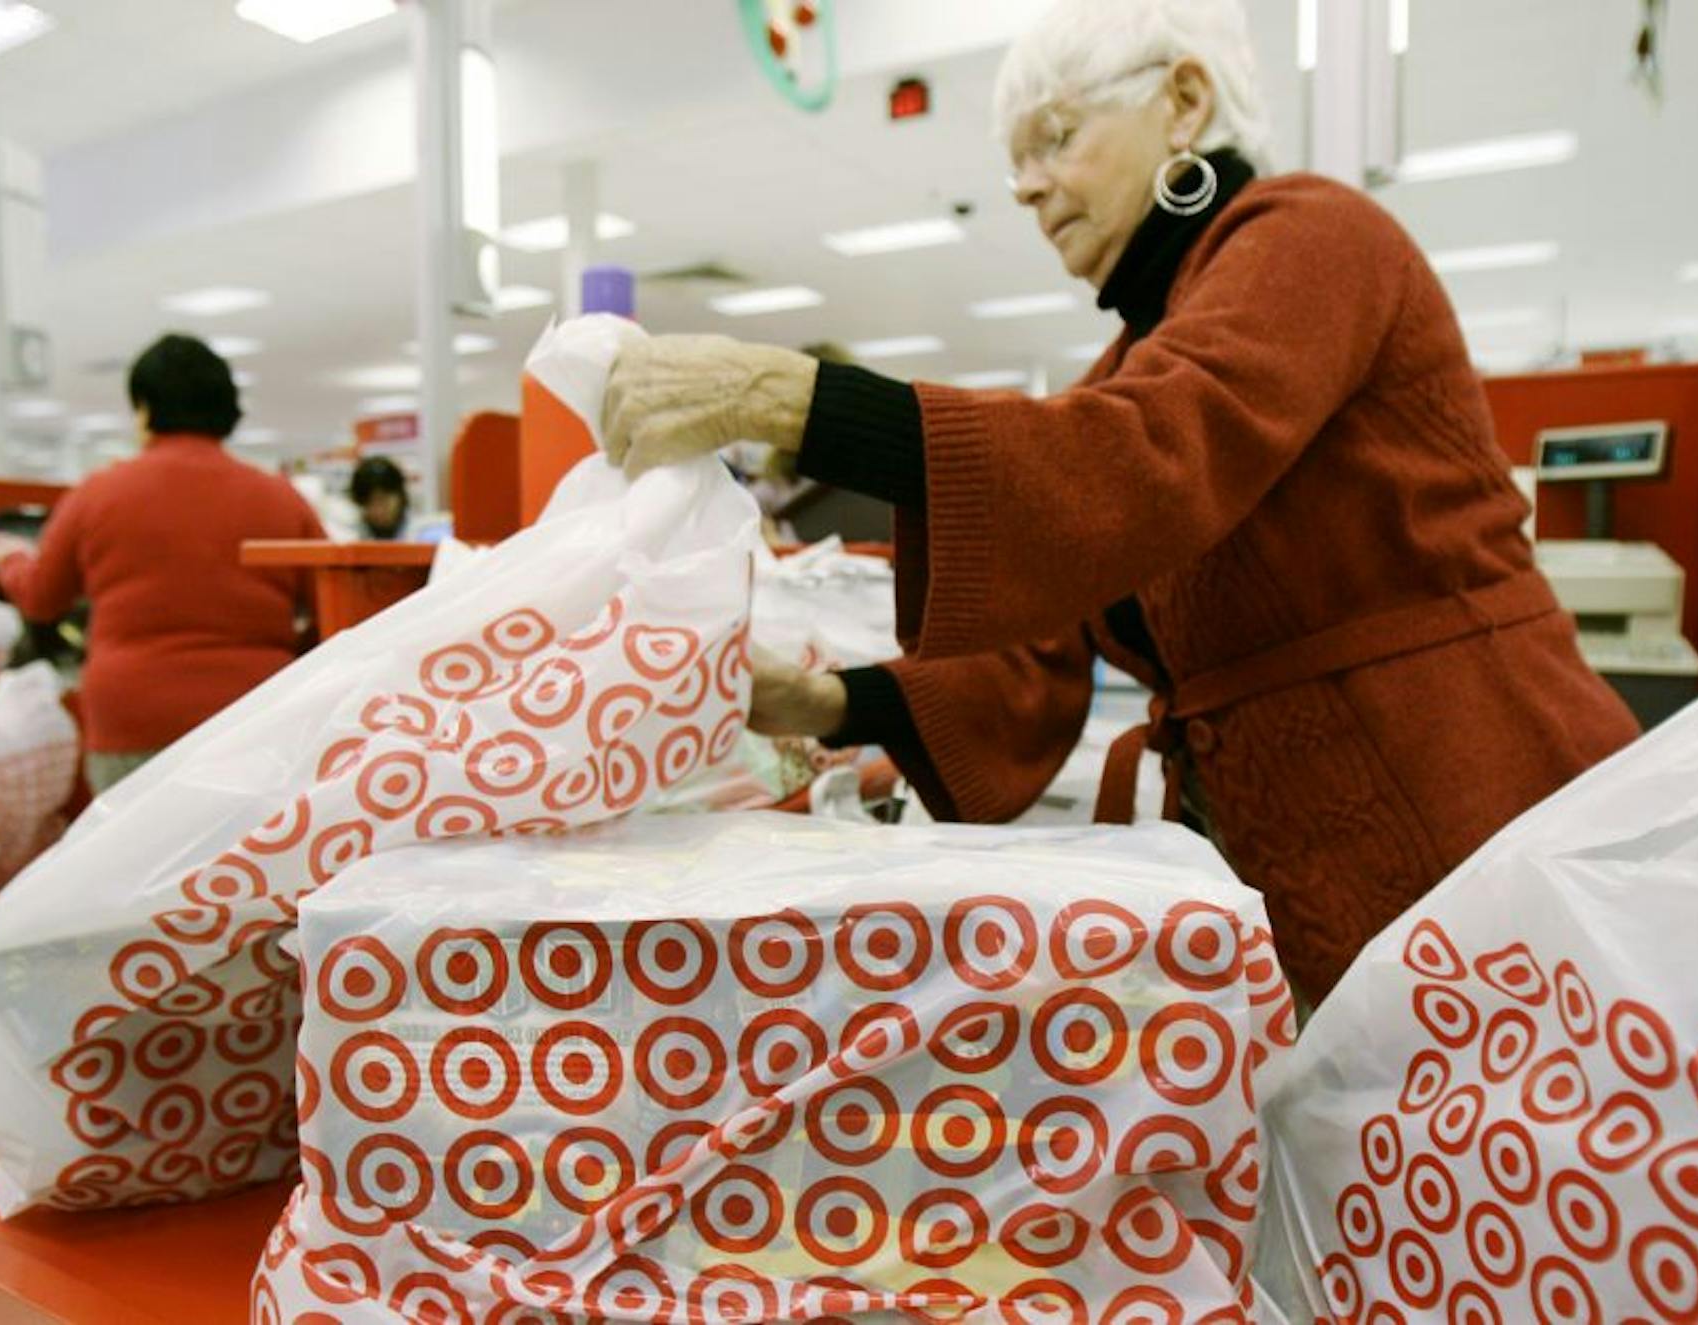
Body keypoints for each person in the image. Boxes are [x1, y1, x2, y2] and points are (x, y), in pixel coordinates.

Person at [599, 0, 1639, 999]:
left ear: (1184, 101)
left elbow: (1155, 453)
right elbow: (1047, 647)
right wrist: (825, 702)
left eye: (1054, 138)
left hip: (1472, 800)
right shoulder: (1131, 356)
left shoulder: (1313, 236)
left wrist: (785, 394)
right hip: (1316, 860)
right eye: (1016, 162)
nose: (1027, 185)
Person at [0, 334, 325, 794]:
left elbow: (42, 599)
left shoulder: (98, 494)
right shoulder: (281, 499)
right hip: (256, 715)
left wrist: (9, 558)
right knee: (252, 859)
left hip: (132, 719)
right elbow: (331, 609)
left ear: (144, 409)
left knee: (136, 861)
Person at [348, 456, 410, 540]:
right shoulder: (351, 537)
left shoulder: (421, 535)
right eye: (370, 503)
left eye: (383, 501)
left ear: (401, 496)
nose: (378, 511)